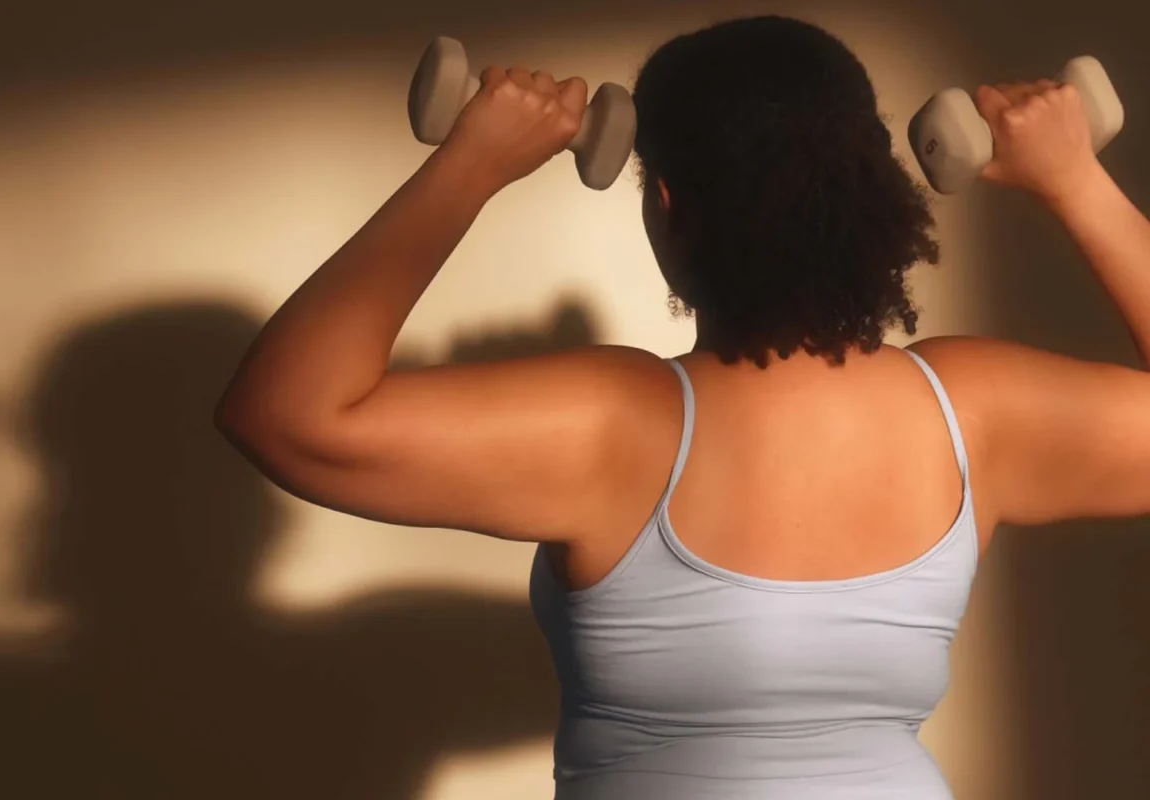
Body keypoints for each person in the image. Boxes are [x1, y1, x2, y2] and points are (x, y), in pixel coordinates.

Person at [215, 13, 1150, 800]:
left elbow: (284, 412)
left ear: (667, 203)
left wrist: (474, 163)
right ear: (874, 189)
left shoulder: (613, 420)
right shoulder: (974, 413)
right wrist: (1076, 179)